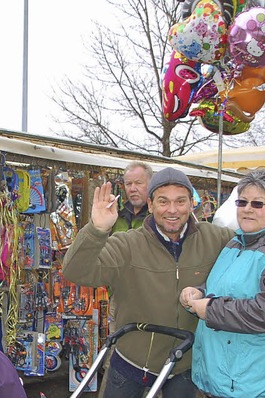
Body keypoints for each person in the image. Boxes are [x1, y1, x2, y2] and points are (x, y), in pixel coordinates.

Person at [62, 167, 233, 398]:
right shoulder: (126, 244)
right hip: (131, 361)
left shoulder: (216, 238)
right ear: (150, 205)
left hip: (185, 364)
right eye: (163, 201)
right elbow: (76, 271)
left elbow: (256, 248)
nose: (172, 210)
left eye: (180, 201)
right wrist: (97, 229)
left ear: (192, 204)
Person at [180, 170, 265, 398]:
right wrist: (199, 292)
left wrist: (211, 308)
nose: (247, 208)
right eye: (242, 202)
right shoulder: (236, 243)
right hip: (228, 378)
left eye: (257, 203)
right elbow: (228, 287)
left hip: (259, 384)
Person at [100, 161, 153, 394]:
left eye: (138, 183)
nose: (133, 188)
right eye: (128, 184)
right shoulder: (116, 216)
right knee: (118, 354)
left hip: (153, 296)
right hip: (120, 298)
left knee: (152, 356)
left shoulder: (160, 216)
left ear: (151, 184)